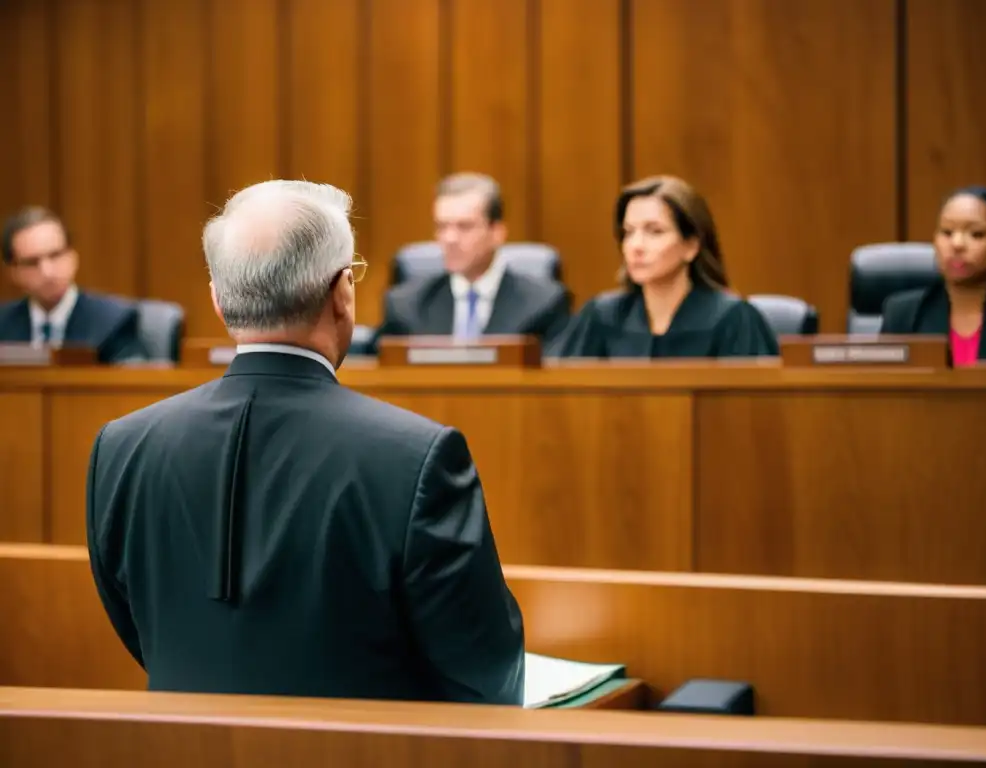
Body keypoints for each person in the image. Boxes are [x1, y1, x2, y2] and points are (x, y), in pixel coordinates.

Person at [85, 180, 526, 704]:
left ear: (219, 301)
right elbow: (487, 670)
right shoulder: (419, 458)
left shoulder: (121, 446)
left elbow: (136, 627)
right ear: (343, 293)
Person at [550, 175, 779, 358]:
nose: (636, 246)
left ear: (691, 246)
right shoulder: (601, 316)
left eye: (655, 231)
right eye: (628, 232)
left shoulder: (733, 319)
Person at [374, 173, 571, 349]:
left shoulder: (543, 304)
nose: (450, 239)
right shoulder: (406, 305)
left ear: (497, 232)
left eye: (464, 226)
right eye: (442, 227)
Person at [881, 186, 986, 365]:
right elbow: (886, 388)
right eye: (947, 232)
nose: (957, 244)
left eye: (976, 234)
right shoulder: (903, 314)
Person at [0, 206, 145, 363]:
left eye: (55, 255)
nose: (47, 272)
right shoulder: (3, 324)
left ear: (72, 257)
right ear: (13, 272)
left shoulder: (114, 321)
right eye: (32, 262)